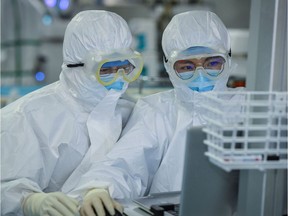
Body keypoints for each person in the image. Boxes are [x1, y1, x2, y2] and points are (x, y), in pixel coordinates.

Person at [61, 10, 244, 216]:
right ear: (169, 67)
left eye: (212, 63)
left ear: (228, 59)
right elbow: (125, 163)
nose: (200, 75)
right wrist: (99, 188)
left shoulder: (251, 107)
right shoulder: (157, 110)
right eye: (186, 66)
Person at [1, 10, 143, 216]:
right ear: (75, 66)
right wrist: (29, 201)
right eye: (106, 69)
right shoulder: (25, 116)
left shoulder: (129, 112)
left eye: (126, 67)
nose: (119, 79)